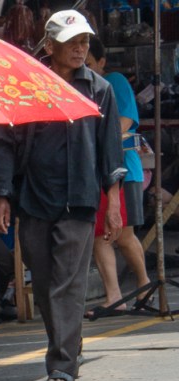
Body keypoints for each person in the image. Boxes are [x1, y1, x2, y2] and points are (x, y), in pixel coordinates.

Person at [0, 10, 125, 381]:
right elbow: (0, 142)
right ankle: (68, 338)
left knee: (67, 281)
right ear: (50, 46)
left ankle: (61, 363)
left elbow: (111, 151)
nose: (81, 49)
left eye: (84, 42)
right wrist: (1, 194)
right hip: (34, 198)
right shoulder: (25, 86)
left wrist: (112, 202)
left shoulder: (99, 90)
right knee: (44, 281)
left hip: (79, 199)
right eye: (72, 43)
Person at [84, 36, 150, 319]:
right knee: (101, 235)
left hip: (125, 170)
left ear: (101, 62)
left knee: (123, 234)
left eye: (89, 64)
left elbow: (123, 122)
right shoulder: (84, 87)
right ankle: (115, 297)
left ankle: (145, 284)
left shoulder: (114, 81)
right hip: (98, 173)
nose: (85, 69)